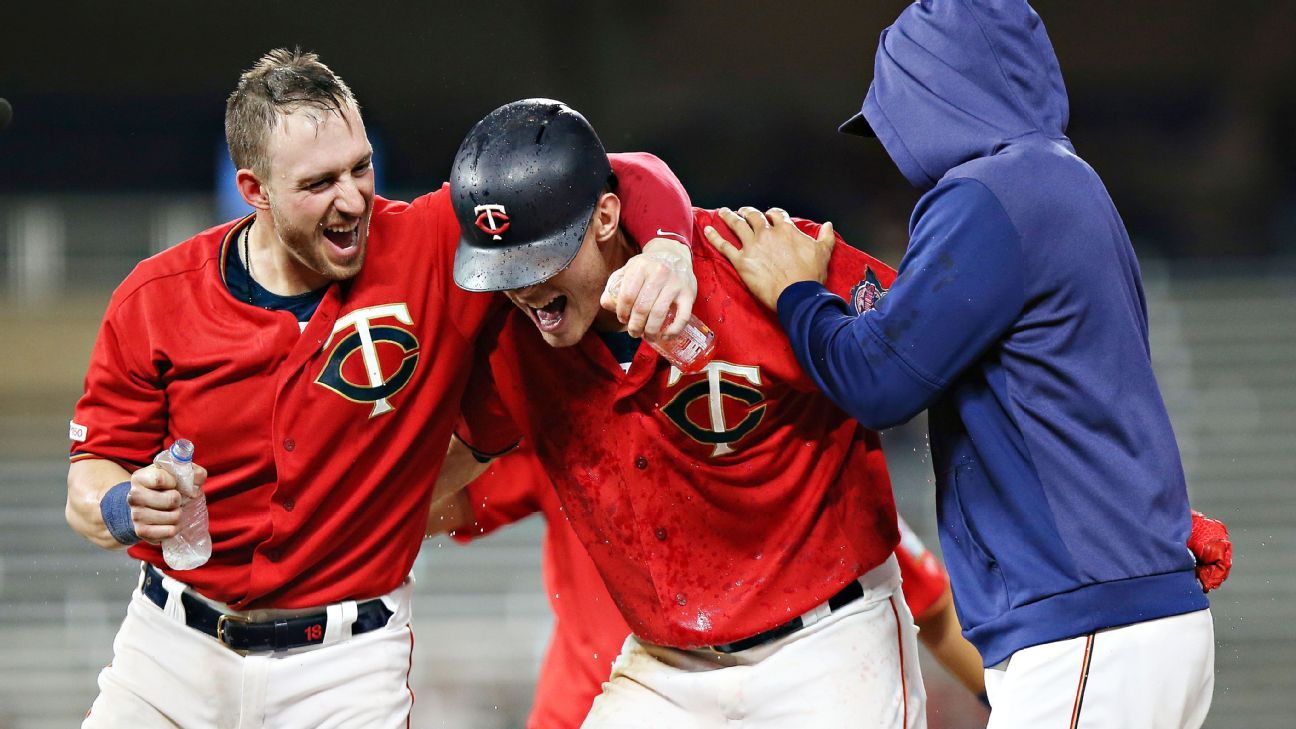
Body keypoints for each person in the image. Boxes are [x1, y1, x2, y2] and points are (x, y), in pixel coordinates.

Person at [63, 49, 697, 728]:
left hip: (345, 666)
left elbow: (607, 171)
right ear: (255, 190)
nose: (352, 198)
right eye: (318, 182)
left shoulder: (431, 245)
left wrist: (666, 247)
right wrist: (127, 505)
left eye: (360, 168)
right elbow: (87, 484)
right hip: (171, 651)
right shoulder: (155, 299)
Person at [703, 1, 1231, 727]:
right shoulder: (1070, 183)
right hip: (1124, 615)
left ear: (936, 90)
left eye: (898, 108)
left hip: (1085, 624)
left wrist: (795, 294)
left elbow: (877, 382)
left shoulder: (989, 193)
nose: (891, 142)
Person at [445, 98, 926, 729]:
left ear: (606, 219)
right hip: (669, 667)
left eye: (543, 257)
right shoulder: (514, 342)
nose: (523, 286)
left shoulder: (760, 256)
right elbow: (446, 476)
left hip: (826, 645)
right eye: (506, 266)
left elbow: (929, 348)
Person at [429, 446, 987, 729]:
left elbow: (932, 609)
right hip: (589, 711)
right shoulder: (575, 417)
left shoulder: (782, 460)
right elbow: (445, 504)